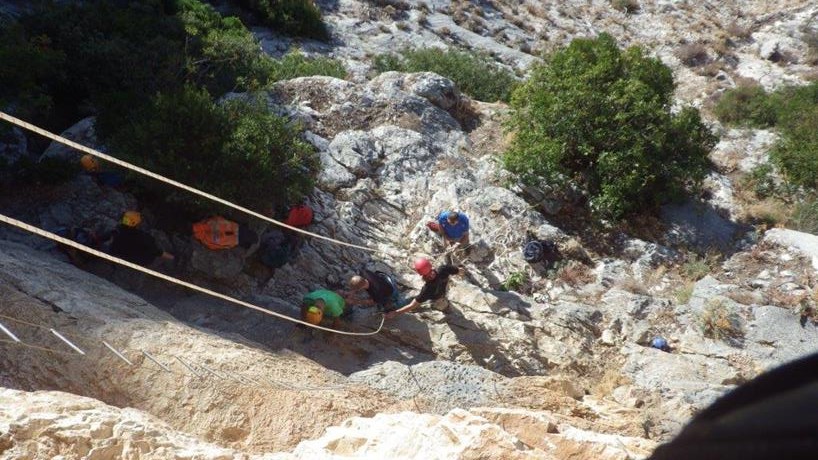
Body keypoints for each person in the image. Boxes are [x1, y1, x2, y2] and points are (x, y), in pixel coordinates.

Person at [385, 258, 463, 318]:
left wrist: (460, 272)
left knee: (443, 297)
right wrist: (396, 313)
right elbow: (413, 305)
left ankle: (445, 305)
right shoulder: (427, 290)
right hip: (438, 299)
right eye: (428, 275)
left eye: (431, 272)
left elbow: (458, 270)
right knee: (443, 305)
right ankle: (445, 309)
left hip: (442, 291)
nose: (432, 275)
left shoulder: (443, 269)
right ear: (423, 275)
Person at [109, 211, 174, 266]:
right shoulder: (143, 236)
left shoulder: (119, 232)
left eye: (126, 220)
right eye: (124, 220)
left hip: (134, 259)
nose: (124, 221)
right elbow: (156, 251)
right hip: (138, 261)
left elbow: (156, 251)